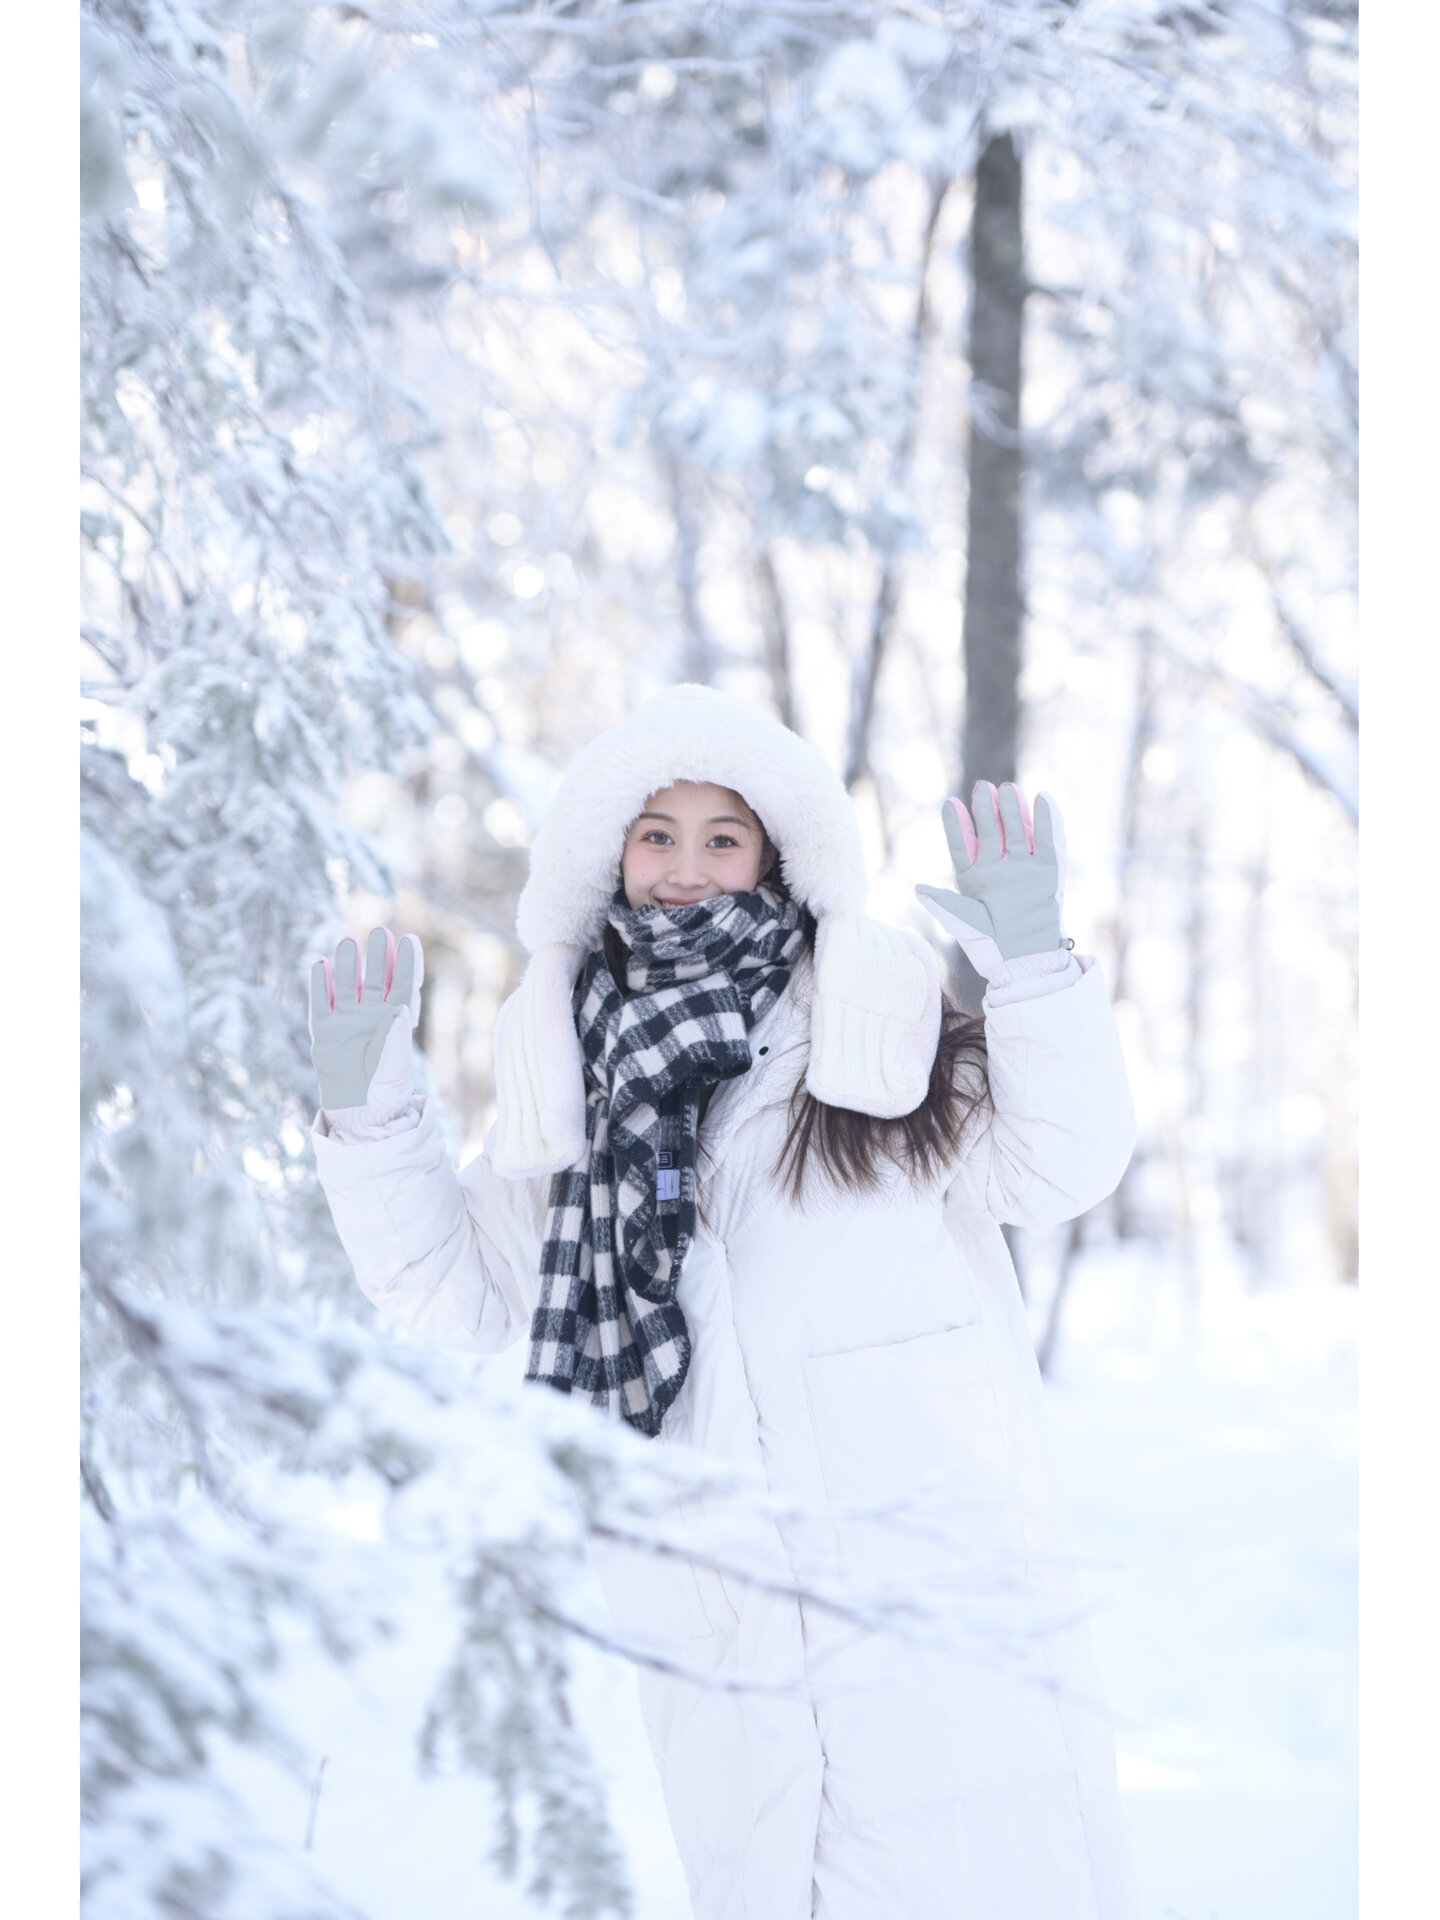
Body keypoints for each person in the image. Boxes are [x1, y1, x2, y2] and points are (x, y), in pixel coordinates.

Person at [308, 682, 1141, 1920]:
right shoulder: (576, 1078)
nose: (686, 868)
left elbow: (1057, 1164)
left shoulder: (880, 1026)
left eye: (721, 836)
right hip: (718, 1610)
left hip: (920, 1584)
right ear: (609, 859)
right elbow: (459, 1288)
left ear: (776, 856)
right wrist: (370, 1119)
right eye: (657, 835)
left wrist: (1033, 972)